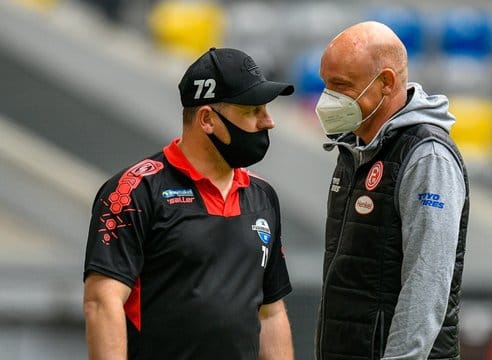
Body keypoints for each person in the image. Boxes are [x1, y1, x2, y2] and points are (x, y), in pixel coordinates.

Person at [82, 47, 295, 360]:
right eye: (253, 110)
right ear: (207, 118)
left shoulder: (263, 195)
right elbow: (102, 302)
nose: (268, 122)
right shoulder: (134, 191)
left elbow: (270, 312)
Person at [314, 21, 470, 360]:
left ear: (385, 82)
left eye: (340, 85)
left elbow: (426, 286)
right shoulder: (355, 150)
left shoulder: (426, 157)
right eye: (327, 84)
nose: (328, 98)